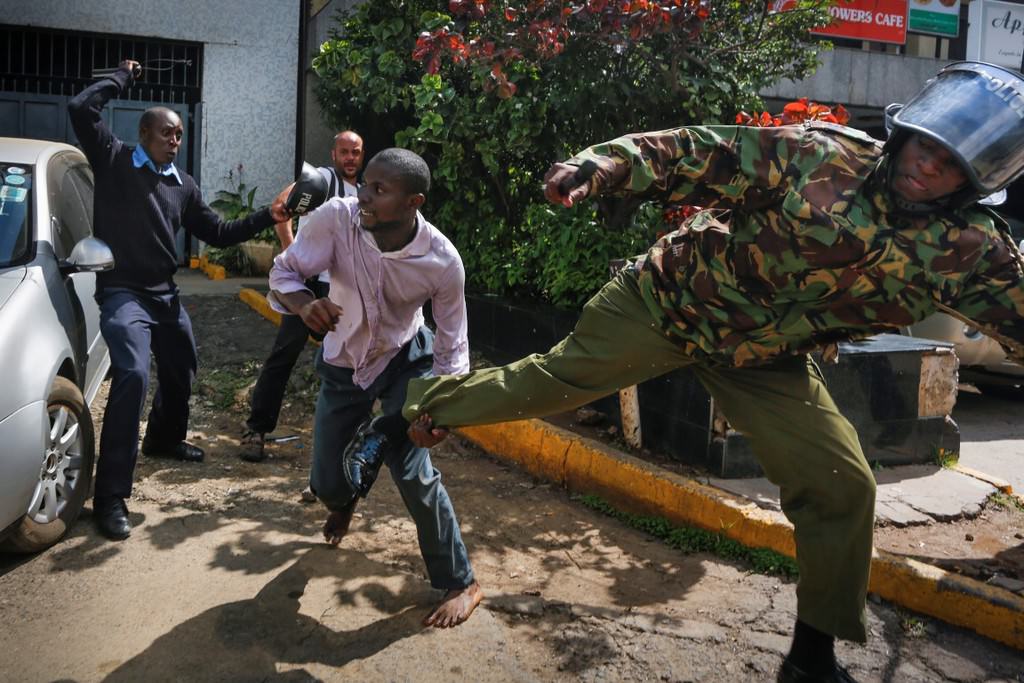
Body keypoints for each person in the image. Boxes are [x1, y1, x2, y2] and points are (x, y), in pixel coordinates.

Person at [401, 61, 1024, 680]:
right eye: (925, 145)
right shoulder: (819, 156)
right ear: (905, 134)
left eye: (950, 164)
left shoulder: (974, 253)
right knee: (550, 382)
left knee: (842, 483)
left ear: (974, 183)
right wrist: (600, 166)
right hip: (666, 304)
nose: (928, 164)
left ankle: (811, 660)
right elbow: (702, 151)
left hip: (762, 356)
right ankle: (416, 406)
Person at [68, 60, 290, 541]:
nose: (175, 141)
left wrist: (266, 216)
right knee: (132, 374)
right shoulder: (113, 158)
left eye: (180, 135)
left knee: (182, 361)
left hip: (165, 294)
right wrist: (122, 76)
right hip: (123, 292)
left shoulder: (182, 184)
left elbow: (218, 231)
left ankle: (164, 440)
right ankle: (109, 496)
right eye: (168, 133)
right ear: (144, 131)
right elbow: (81, 107)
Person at [268, 147, 484, 628]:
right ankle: (345, 501)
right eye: (364, 184)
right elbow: (283, 272)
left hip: (407, 360)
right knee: (326, 482)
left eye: (379, 190)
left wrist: (440, 416)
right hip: (344, 362)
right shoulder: (335, 220)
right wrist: (304, 304)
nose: (363, 196)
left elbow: (453, 348)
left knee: (411, 468)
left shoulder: (442, 260)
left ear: (414, 202)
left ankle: (461, 580)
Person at [239, 131, 365, 463]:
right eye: (345, 152)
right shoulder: (323, 179)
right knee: (284, 354)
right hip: (308, 285)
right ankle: (256, 429)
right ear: (334, 154)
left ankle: (349, 438)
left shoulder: (364, 193)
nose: (351, 157)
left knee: (354, 359)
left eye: (356, 152)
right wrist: (290, 249)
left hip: (341, 288)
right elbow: (283, 205)